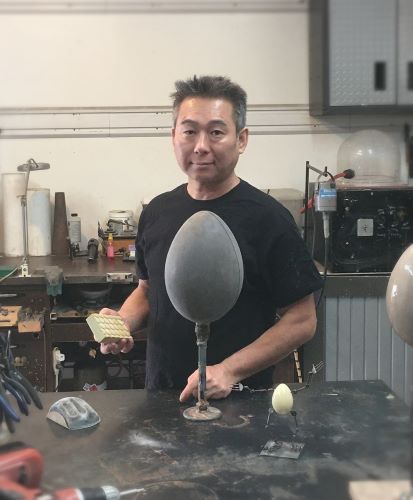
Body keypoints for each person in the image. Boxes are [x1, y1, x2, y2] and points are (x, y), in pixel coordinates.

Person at [100, 75, 323, 402]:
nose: (201, 145)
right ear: (173, 136)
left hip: (239, 402)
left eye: (216, 132)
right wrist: (123, 323)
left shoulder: (269, 219)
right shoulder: (157, 212)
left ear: (242, 139)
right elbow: (148, 290)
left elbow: (303, 321)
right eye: (189, 131)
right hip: (163, 398)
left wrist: (229, 370)